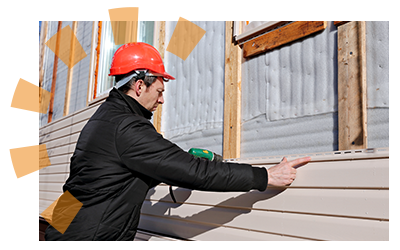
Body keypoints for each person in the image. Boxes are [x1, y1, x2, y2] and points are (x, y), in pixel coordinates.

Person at [45, 42, 311, 241]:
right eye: (159, 91)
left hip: (64, 226)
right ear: (139, 86)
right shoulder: (127, 126)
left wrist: (163, 169)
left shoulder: (105, 119)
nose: (161, 100)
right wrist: (264, 176)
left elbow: (102, 178)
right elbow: (195, 172)